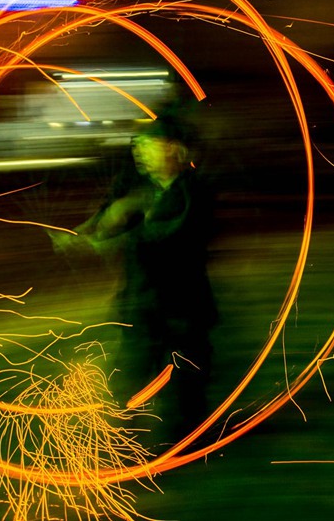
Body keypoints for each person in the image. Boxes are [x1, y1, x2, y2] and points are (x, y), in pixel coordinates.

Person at [49, 112, 218, 441]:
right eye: (136, 145)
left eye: (148, 144)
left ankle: (189, 441)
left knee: (186, 384)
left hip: (183, 309)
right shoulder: (143, 190)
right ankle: (125, 442)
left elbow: (166, 236)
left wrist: (108, 238)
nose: (138, 152)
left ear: (174, 149)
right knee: (129, 376)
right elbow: (110, 217)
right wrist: (80, 234)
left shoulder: (193, 192)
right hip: (141, 305)